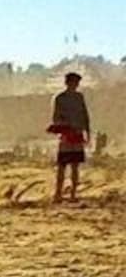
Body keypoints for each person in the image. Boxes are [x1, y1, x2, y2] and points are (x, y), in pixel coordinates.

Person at [50, 72, 91, 203]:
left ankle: (73, 194)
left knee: (75, 166)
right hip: (66, 135)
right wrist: (65, 127)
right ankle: (58, 194)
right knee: (62, 165)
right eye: (73, 82)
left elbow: (85, 115)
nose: (75, 85)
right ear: (67, 83)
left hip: (77, 134)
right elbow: (56, 117)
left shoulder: (79, 97)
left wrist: (87, 132)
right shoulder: (59, 98)